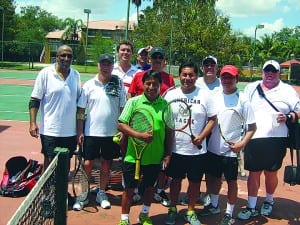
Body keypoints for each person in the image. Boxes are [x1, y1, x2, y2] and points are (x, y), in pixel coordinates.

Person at [237, 60, 300, 220]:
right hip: (253, 137)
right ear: (262, 72)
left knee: (271, 173)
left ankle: (269, 200)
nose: (270, 73)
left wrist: (288, 116)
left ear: (279, 73)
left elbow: (298, 111)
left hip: (276, 139)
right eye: (267, 70)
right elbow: (241, 107)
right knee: (253, 173)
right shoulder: (251, 88)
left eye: (274, 71)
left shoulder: (287, 90)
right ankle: (251, 206)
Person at [201, 65, 256, 224]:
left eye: (230, 77)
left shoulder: (243, 99)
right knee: (212, 178)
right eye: (224, 77)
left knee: (232, 182)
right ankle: (215, 204)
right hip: (213, 147)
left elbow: (252, 127)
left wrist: (242, 143)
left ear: (237, 80)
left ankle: (229, 213)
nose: (227, 80)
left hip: (232, 151)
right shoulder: (215, 96)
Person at [163, 61, 217, 225]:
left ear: (196, 76)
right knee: (175, 181)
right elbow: (165, 121)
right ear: (179, 76)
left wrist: (201, 137)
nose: (187, 78)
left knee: (194, 182)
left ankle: (191, 211)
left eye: (191, 75)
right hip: (176, 149)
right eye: (184, 75)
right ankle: (173, 209)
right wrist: (166, 150)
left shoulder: (205, 96)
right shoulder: (170, 95)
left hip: (197, 151)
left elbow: (212, 119)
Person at [116, 70, 173, 225]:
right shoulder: (133, 102)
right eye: (148, 83)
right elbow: (121, 124)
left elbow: (169, 132)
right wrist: (139, 135)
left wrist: (168, 154)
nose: (151, 87)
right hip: (132, 155)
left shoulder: (165, 105)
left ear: (160, 86)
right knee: (128, 189)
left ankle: (144, 215)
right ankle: (124, 219)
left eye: (155, 84)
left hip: (155, 157)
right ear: (143, 84)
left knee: (149, 188)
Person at [75, 54, 126, 210]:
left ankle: (101, 192)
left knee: (106, 165)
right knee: (87, 164)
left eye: (108, 64)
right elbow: (81, 110)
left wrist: (122, 130)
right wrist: (80, 131)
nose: (105, 67)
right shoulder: (89, 85)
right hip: (91, 132)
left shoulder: (118, 83)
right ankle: (84, 194)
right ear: (98, 65)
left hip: (111, 134)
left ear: (112, 66)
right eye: (103, 64)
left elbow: (123, 109)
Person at [128, 47, 175, 206]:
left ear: (164, 61)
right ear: (149, 59)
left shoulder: (170, 79)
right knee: (135, 161)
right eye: (154, 57)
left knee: (160, 163)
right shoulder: (139, 76)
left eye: (160, 57)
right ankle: (134, 190)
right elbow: (131, 97)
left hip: (160, 127)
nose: (157, 60)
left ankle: (159, 191)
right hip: (139, 128)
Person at [29, 45, 81, 170]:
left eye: (69, 56)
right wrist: (32, 123)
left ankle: (61, 189)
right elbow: (35, 100)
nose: (66, 58)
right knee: (49, 161)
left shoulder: (76, 75)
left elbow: (79, 104)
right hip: (50, 130)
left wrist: (80, 129)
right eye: (63, 55)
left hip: (70, 131)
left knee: (65, 160)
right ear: (57, 57)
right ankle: (48, 189)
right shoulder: (45, 74)